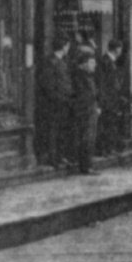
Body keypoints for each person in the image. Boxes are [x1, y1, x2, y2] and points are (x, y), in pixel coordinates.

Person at [35, 33, 73, 170]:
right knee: (53, 131)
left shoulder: (62, 61)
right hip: (54, 104)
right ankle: (53, 158)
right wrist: (59, 99)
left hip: (63, 103)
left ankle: (60, 156)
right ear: (64, 47)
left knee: (61, 130)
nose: (68, 49)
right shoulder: (50, 62)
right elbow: (48, 85)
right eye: (68, 46)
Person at [67, 37, 101, 175]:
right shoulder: (79, 77)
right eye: (92, 62)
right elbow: (82, 95)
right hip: (85, 112)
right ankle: (86, 166)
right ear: (84, 64)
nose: (94, 65)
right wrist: (92, 107)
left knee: (89, 139)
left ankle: (87, 165)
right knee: (87, 139)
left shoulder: (88, 76)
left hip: (90, 111)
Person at [96, 38, 131, 157]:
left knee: (111, 125)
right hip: (108, 101)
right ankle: (105, 150)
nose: (121, 51)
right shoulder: (105, 61)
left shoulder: (110, 61)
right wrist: (102, 101)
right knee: (107, 125)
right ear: (117, 49)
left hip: (112, 100)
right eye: (120, 48)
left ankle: (109, 148)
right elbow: (102, 83)